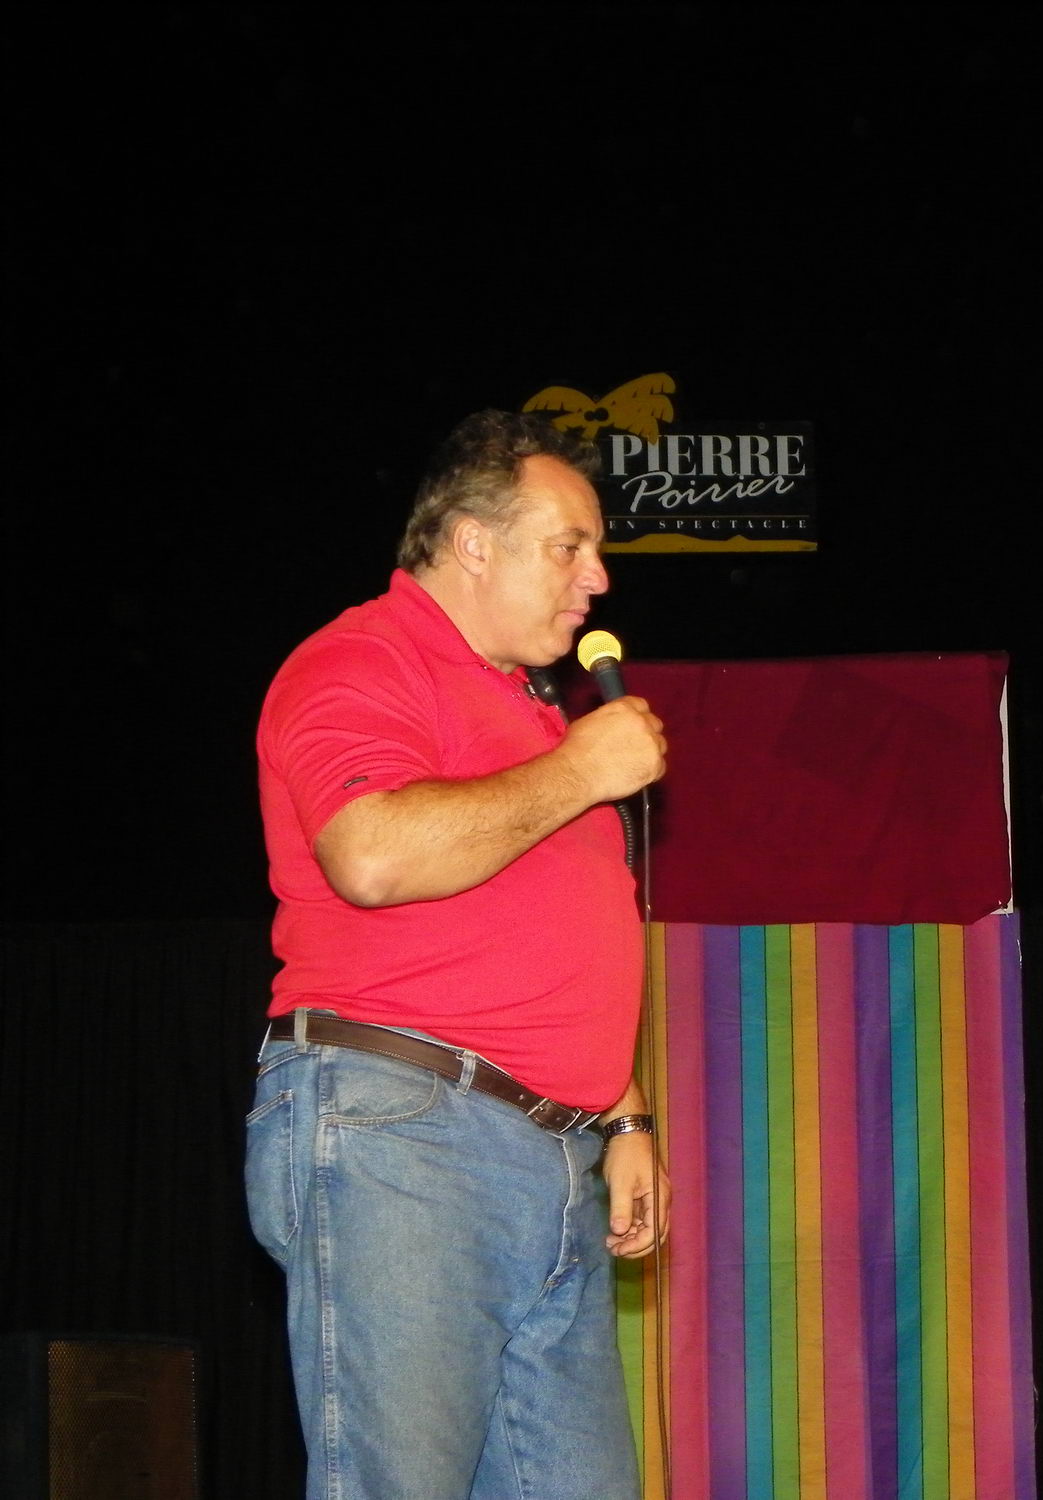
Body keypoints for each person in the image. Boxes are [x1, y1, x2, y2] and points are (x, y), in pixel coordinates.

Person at [247, 411, 670, 1499]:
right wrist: (583, 771)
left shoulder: (527, 714)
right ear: (473, 543)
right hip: (407, 1134)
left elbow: (539, 938)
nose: (597, 578)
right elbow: (372, 855)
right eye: (568, 546)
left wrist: (623, 1115)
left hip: (550, 1158)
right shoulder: (361, 658)